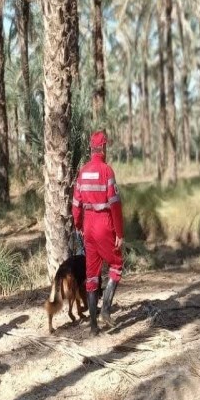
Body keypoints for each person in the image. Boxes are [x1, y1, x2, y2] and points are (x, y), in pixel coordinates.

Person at [72, 130, 125, 335]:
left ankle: (93, 328)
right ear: (103, 147)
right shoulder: (106, 171)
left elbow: (76, 204)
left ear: (90, 147)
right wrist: (119, 233)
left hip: (88, 226)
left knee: (91, 275)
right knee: (117, 264)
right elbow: (115, 205)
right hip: (104, 224)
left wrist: (78, 225)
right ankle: (106, 309)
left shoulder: (82, 172)